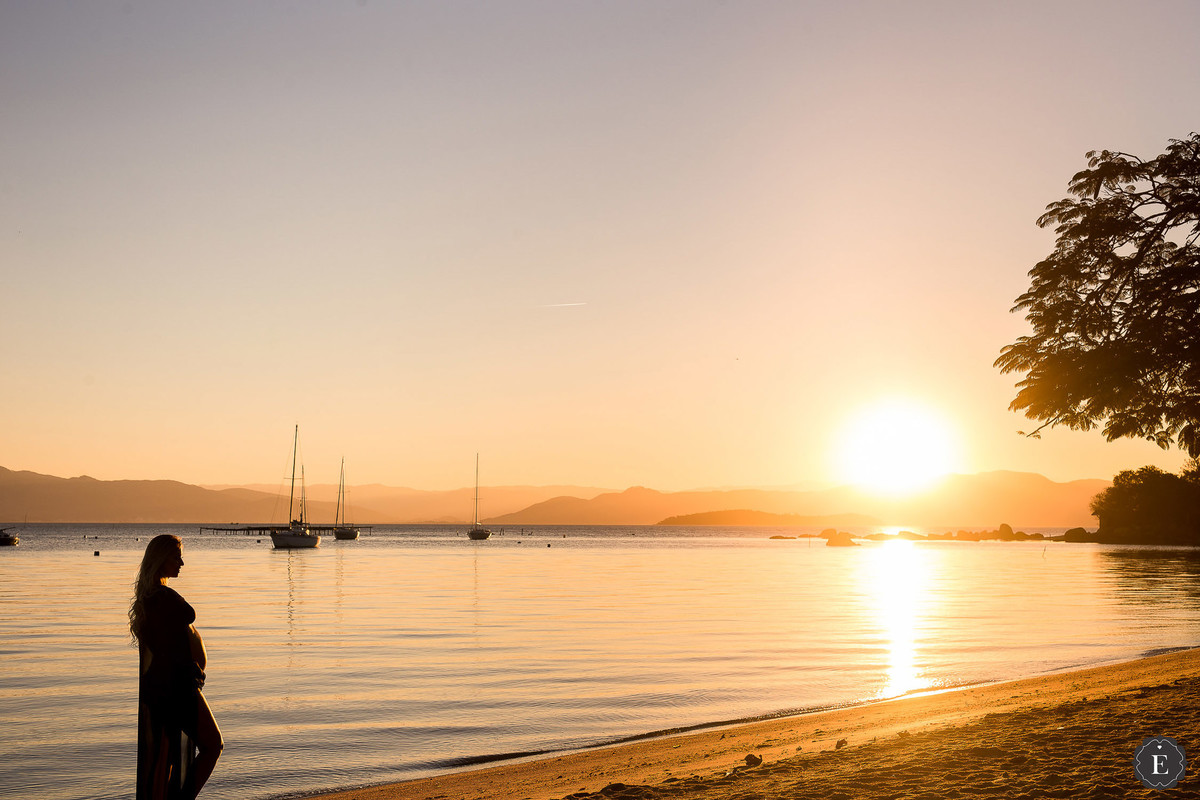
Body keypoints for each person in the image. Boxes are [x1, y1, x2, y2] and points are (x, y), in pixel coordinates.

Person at [129, 534, 223, 799]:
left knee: (168, 757)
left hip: (170, 687)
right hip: (177, 688)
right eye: (176, 557)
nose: (181, 563)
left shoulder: (152, 597)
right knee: (212, 745)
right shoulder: (162, 598)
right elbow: (171, 648)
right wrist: (193, 673)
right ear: (161, 559)